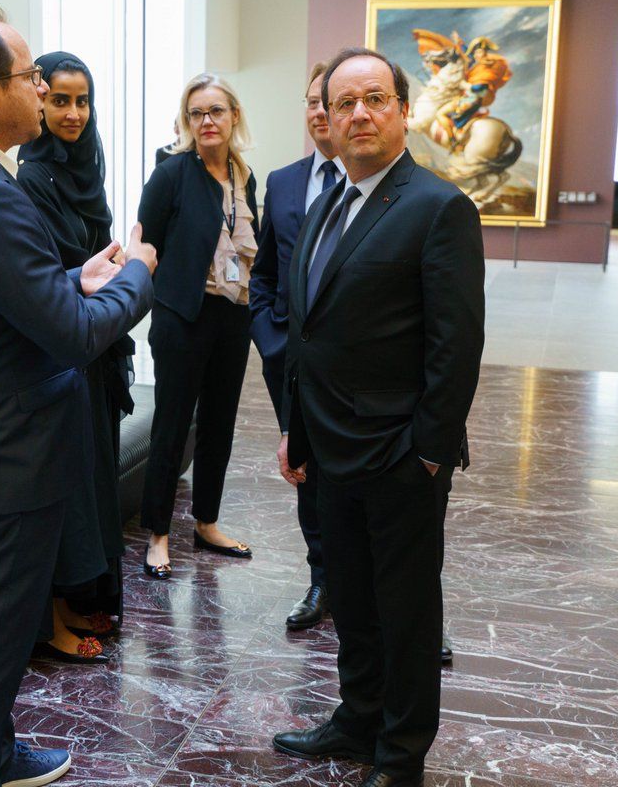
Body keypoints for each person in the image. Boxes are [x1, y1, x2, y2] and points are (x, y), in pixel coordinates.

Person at [0, 9, 156, 787]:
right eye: (27, 78)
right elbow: (77, 337)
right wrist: (138, 272)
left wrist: (73, 280)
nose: (40, 89)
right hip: (7, 458)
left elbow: (8, 302)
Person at [270, 47, 485, 787]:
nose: (359, 113)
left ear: (402, 110)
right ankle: (356, 721)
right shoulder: (329, 198)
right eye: (344, 102)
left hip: (399, 456)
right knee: (353, 602)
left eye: (376, 99)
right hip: (330, 450)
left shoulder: (438, 207)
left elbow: (454, 347)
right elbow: (309, 336)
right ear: (325, 116)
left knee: (406, 612)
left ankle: (400, 756)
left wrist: (426, 453)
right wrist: (298, 432)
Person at [17, 51, 131, 666]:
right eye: (59, 100)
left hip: (94, 343)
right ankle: (56, 615)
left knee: (92, 481)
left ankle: (78, 598)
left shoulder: (88, 165)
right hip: (60, 346)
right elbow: (51, 271)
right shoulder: (34, 175)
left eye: (82, 100)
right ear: (37, 100)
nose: (73, 113)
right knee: (68, 483)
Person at [138, 73, 258, 579]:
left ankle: (206, 522)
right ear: (186, 122)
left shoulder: (245, 177)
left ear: (234, 117)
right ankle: (158, 533)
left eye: (216, 111)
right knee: (171, 425)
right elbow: (147, 244)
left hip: (233, 317)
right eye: (196, 113)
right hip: (183, 317)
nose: (207, 121)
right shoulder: (171, 174)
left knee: (219, 425)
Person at [250, 60, 344, 629]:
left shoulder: (379, 189)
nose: (316, 111)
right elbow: (263, 273)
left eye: (325, 101)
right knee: (304, 472)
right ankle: (321, 582)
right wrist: (269, 339)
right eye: (310, 101)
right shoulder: (284, 182)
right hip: (289, 361)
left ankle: (398, 604)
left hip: (353, 365)